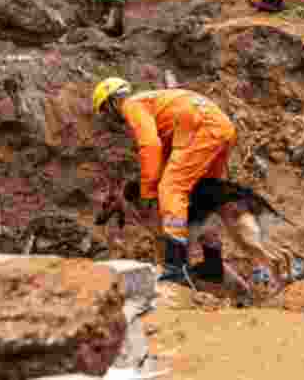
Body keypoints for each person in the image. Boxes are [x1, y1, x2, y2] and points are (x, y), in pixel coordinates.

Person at [92, 78, 239, 285]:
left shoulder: (131, 105)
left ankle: (176, 266)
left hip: (204, 130)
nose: (109, 118)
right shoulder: (156, 104)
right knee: (200, 196)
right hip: (221, 129)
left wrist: (148, 192)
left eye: (105, 111)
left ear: (113, 102)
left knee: (171, 189)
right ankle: (213, 264)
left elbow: (150, 146)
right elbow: (165, 150)